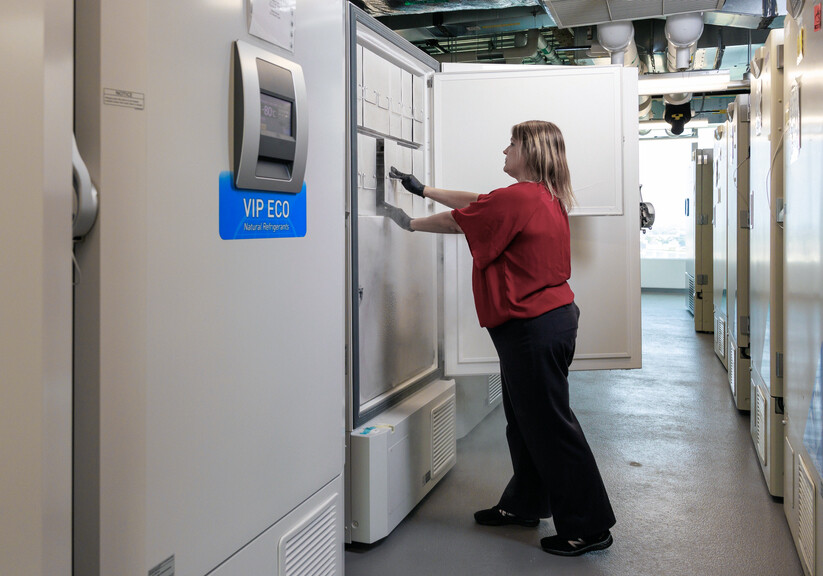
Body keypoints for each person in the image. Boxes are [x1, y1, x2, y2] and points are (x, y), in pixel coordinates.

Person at [383, 120, 616, 556]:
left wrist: (410, 223)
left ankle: (589, 526)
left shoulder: (520, 198)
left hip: (533, 328)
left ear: (529, 150)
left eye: (511, 144)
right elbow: (479, 203)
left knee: (549, 426)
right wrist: (425, 189)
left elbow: (461, 221)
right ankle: (524, 504)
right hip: (544, 322)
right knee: (526, 422)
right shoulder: (540, 195)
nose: (504, 150)